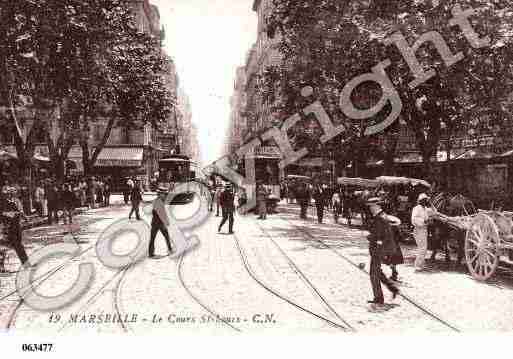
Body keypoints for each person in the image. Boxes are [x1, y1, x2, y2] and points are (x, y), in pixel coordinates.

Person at [366, 200, 399, 305]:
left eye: (372, 206)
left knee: (373, 273)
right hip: (380, 249)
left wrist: (370, 237)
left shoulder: (381, 218)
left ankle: (379, 298)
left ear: (377, 206)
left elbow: (381, 237)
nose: (370, 208)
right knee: (377, 272)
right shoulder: (381, 216)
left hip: (379, 249)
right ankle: (393, 289)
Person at [1, 188, 29, 266]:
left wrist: (24, 217)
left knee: (17, 244)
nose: (11, 195)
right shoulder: (3, 203)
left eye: (13, 193)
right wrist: (11, 214)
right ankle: (26, 263)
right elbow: (4, 214)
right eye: (10, 193)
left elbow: (20, 211)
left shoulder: (15, 202)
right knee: (15, 245)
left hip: (17, 225)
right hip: (9, 227)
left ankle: (25, 263)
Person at [149, 187, 174, 258]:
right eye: (163, 194)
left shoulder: (158, 200)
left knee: (153, 238)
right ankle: (170, 250)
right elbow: (162, 213)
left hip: (155, 222)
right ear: (160, 194)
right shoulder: (159, 202)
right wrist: (166, 222)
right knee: (166, 236)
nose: (165, 195)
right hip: (159, 223)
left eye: (165, 194)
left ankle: (151, 253)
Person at [411, 193, 432, 272]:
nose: (426, 201)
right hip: (419, 230)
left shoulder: (425, 209)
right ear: (421, 201)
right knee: (422, 248)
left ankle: (421, 264)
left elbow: (434, 212)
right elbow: (414, 219)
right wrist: (425, 221)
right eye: (425, 200)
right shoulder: (416, 208)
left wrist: (431, 204)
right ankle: (417, 266)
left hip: (424, 230)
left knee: (424, 248)